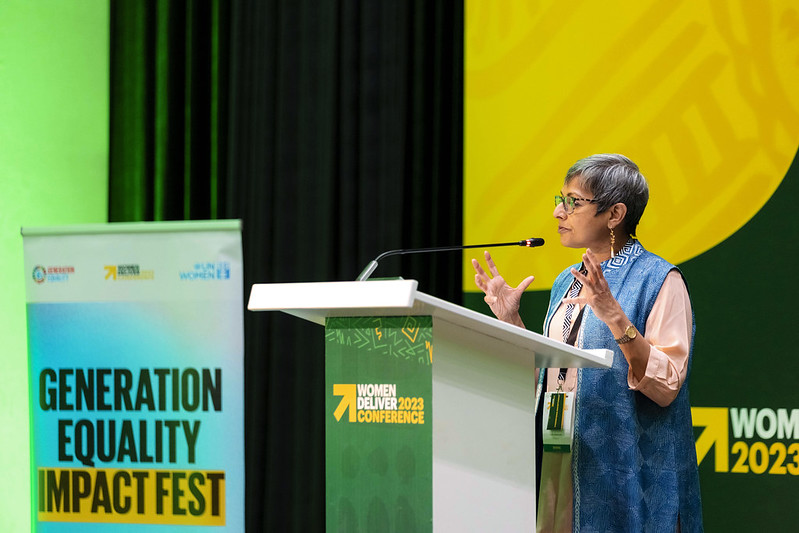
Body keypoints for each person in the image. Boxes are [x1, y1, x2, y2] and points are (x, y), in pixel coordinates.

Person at [472, 154, 703, 532]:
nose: (557, 213)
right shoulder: (568, 281)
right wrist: (511, 322)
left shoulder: (659, 280)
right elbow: (552, 378)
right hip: (563, 461)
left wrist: (614, 316)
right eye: (559, 199)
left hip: (630, 473)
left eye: (573, 202)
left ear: (614, 214)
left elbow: (667, 386)